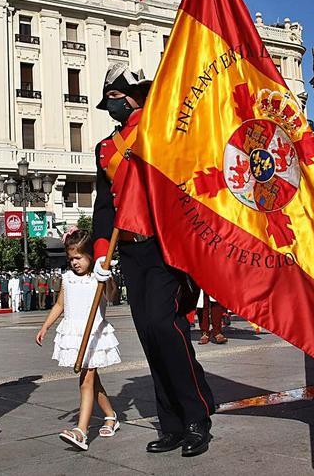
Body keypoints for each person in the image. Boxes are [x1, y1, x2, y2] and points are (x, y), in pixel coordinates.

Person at [93, 64, 214, 457]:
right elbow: (102, 206)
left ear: (132, 96)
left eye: (116, 96)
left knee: (166, 326)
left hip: (165, 244)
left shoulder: (162, 130)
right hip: (129, 249)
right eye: (108, 98)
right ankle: (172, 423)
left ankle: (196, 416)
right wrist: (100, 254)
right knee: (148, 332)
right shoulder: (106, 148)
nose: (112, 104)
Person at [36, 230, 121, 451]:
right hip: (75, 335)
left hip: (93, 336)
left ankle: (81, 431)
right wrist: (45, 326)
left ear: (91, 256)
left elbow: (112, 297)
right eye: (71, 258)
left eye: (79, 257)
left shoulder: (98, 278)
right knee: (94, 382)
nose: (74, 263)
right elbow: (59, 305)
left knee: (86, 381)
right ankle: (111, 416)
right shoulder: (67, 279)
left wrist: (108, 277)